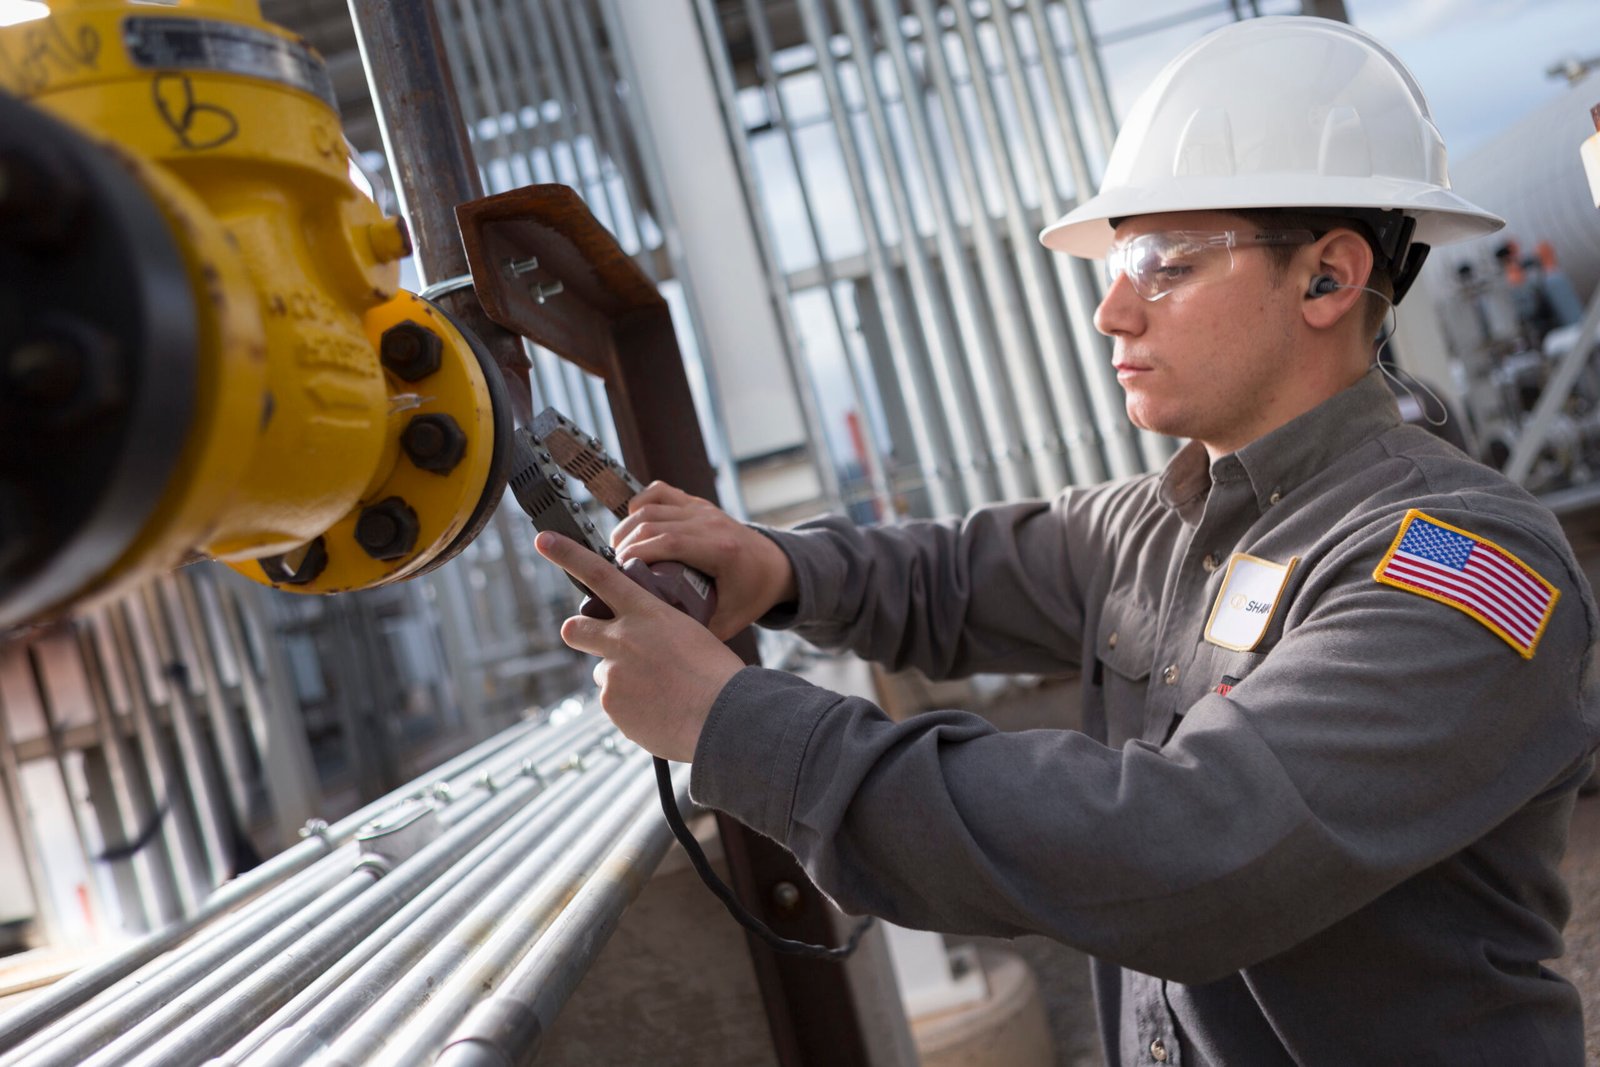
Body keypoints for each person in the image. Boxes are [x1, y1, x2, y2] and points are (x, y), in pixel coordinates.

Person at [536, 16, 1600, 1065]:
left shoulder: (1459, 561)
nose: (1111, 312)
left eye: (1164, 263)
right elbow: (952, 574)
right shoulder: (1160, 526)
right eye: (1120, 261)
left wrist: (735, 723)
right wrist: (775, 567)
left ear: (1328, 276)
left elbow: (1185, 853)